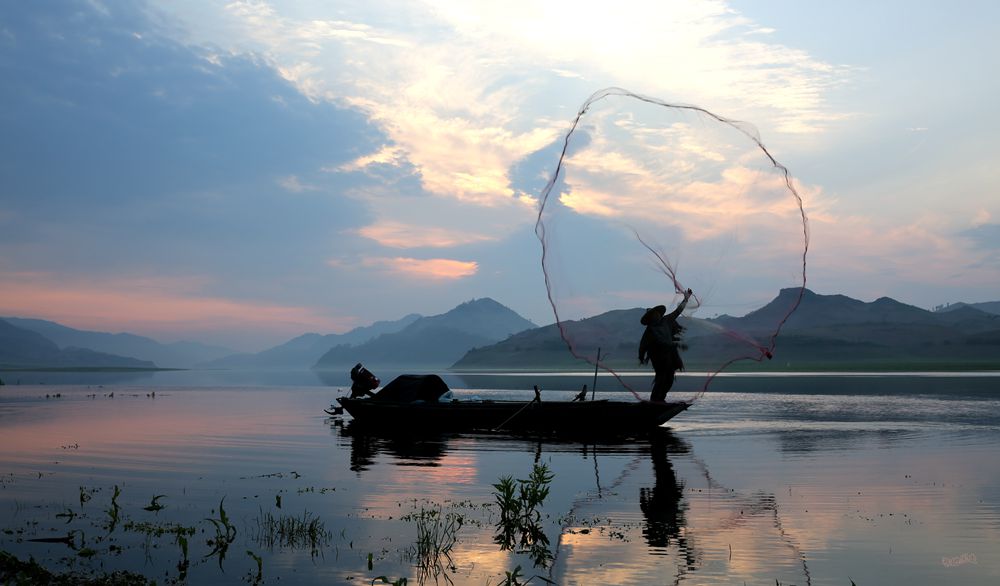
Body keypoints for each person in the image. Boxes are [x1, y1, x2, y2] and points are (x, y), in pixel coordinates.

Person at [638, 289, 692, 402]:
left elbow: (678, 311)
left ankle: (661, 398)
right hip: (658, 356)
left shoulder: (667, 320)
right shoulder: (650, 330)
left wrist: (686, 299)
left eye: (657, 314)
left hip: (669, 354)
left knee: (670, 378)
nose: (656, 316)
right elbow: (643, 344)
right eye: (653, 315)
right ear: (650, 319)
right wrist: (641, 356)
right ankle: (655, 400)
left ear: (659, 314)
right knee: (661, 377)